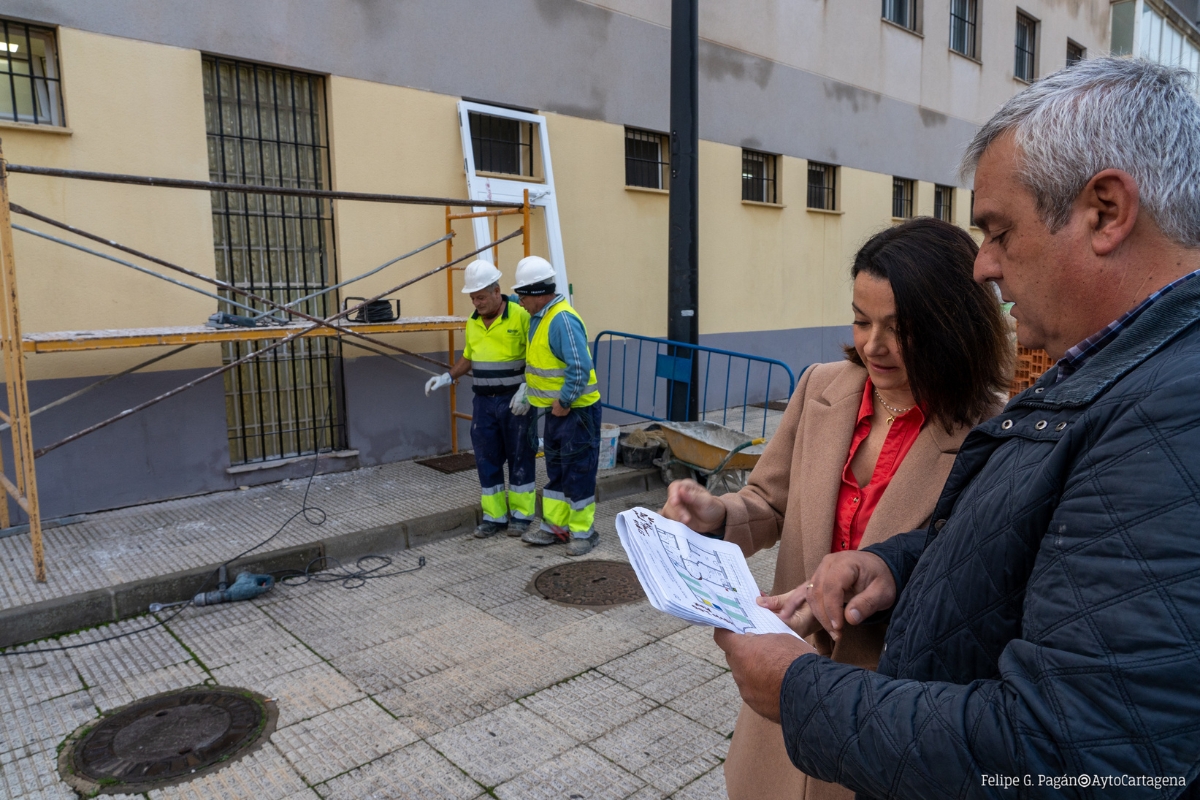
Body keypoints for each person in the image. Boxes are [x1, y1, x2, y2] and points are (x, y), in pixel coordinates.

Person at [715, 57, 1200, 799]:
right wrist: (897, 565)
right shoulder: (1105, 375)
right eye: (860, 322)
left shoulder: (1169, 408)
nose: (985, 266)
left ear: (1106, 211)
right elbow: (1011, 548)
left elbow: (1071, 752)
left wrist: (799, 692)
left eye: (1000, 231)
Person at [661, 217, 1010, 800]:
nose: (874, 345)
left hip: (887, 718)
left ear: (955, 325)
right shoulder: (822, 387)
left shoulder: (994, 433)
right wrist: (715, 517)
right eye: (860, 319)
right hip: (784, 707)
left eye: (902, 329)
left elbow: (979, 586)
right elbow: (769, 500)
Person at [426, 259, 535, 538]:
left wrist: (529, 388)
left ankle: (522, 516)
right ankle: (494, 517)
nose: (477, 303)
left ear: (497, 292)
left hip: (516, 401)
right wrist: (448, 376)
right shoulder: (473, 323)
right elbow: (469, 358)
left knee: (520, 456)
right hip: (484, 403)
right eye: (473, 298)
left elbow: (537, 354)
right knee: (487, 458)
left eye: (482, 297)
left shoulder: (521, 316)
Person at [509, 255, 603, 556]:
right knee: (556, 470)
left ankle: (584, 533)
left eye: (522, 295)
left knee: (578, 470)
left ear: (538, 293)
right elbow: (545, 365)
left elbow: (580, 366)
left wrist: (564, 401)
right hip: (557, 411)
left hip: (576, 412)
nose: (520, 301)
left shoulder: (561, 319)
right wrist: (530, 390)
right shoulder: (541, 317)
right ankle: (554, 527)